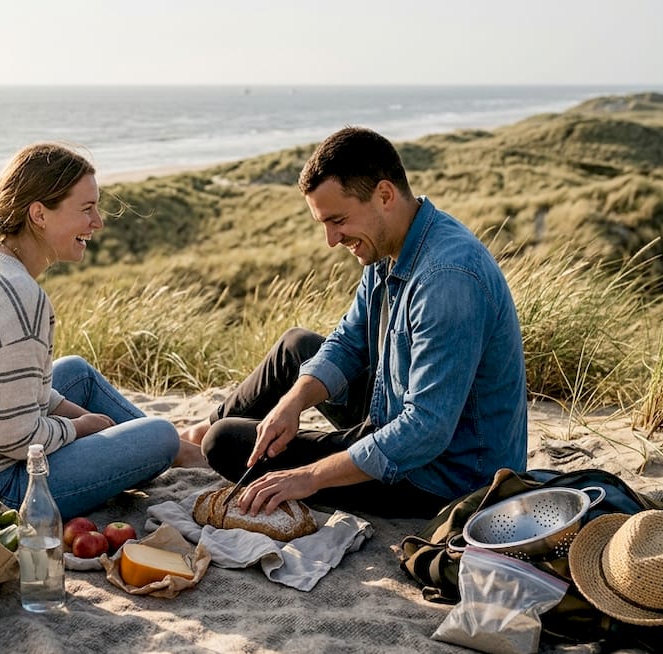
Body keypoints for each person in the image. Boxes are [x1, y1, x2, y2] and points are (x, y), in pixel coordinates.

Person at [182, 127, 528, 519]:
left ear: (384, 195)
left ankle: (206, 439)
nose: (331, 239)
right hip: (394, 412)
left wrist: (310, 476)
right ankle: (195, 434)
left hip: (445, 475)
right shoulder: (391, 242)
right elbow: (349, 341)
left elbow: (425, 429)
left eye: (338, 220)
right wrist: (292, 403)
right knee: (298, 348)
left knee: (224, 443)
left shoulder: (447, 278)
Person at [0, 142, 205, 518]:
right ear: (39, 215)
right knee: (161, 435)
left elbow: (15, 395)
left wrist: (77, 418)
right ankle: (175, 449)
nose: (98, 222)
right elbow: (14, 438)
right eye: (86, 208)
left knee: (75, 371)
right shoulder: (18, 295)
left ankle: (182, 454)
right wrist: (78, 428)